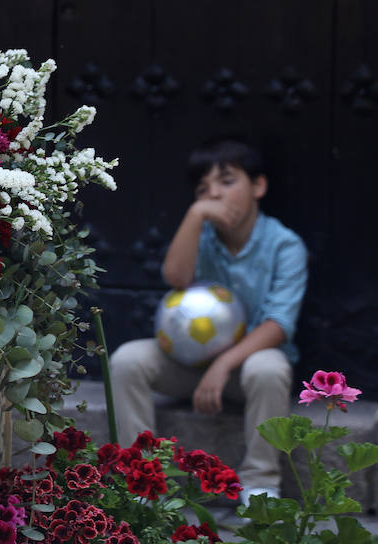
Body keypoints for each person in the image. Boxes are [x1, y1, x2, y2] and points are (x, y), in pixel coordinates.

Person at [109, 137, 307, 501]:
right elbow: (176, 278)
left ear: (258, 186)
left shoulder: (285, 245)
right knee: (127, 360)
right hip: (189, 365)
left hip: (245, 373)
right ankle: (141, 477)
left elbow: (279, 325)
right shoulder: (200, 236)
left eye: (227, 181)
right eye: (203, 189)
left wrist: (223, 365)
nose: (213, 194)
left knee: (270, 368)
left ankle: (260, 484)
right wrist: (195, 215)